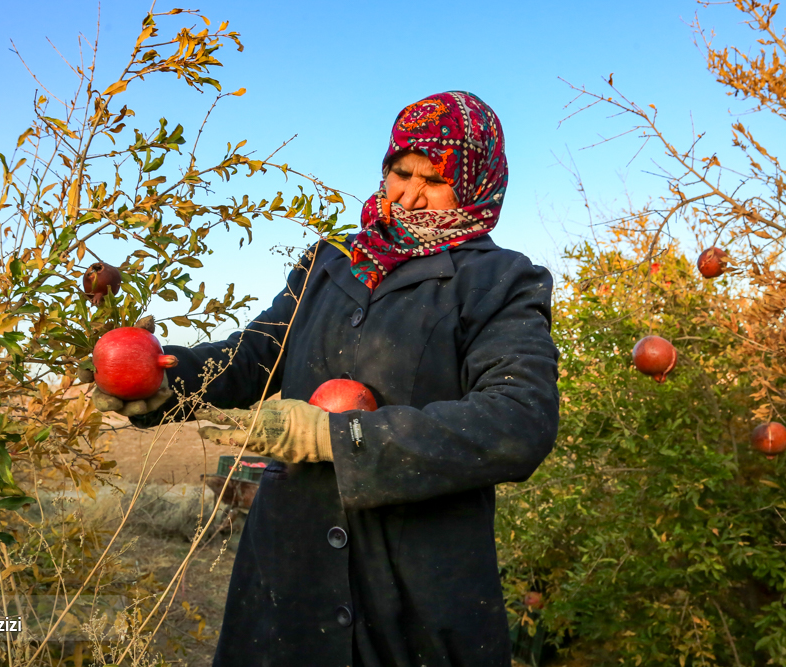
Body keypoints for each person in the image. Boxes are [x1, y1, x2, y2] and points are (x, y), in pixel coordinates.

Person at [90, 91, 560, 667]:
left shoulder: (501, 281)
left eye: (433, 180)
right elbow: (256, 355)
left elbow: (518, 419)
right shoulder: (332, 262)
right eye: (398, 172)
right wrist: (170, 381)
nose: (408, 195)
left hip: (417, 591)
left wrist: (342, 439)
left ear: (476, 183)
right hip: (290, 567)